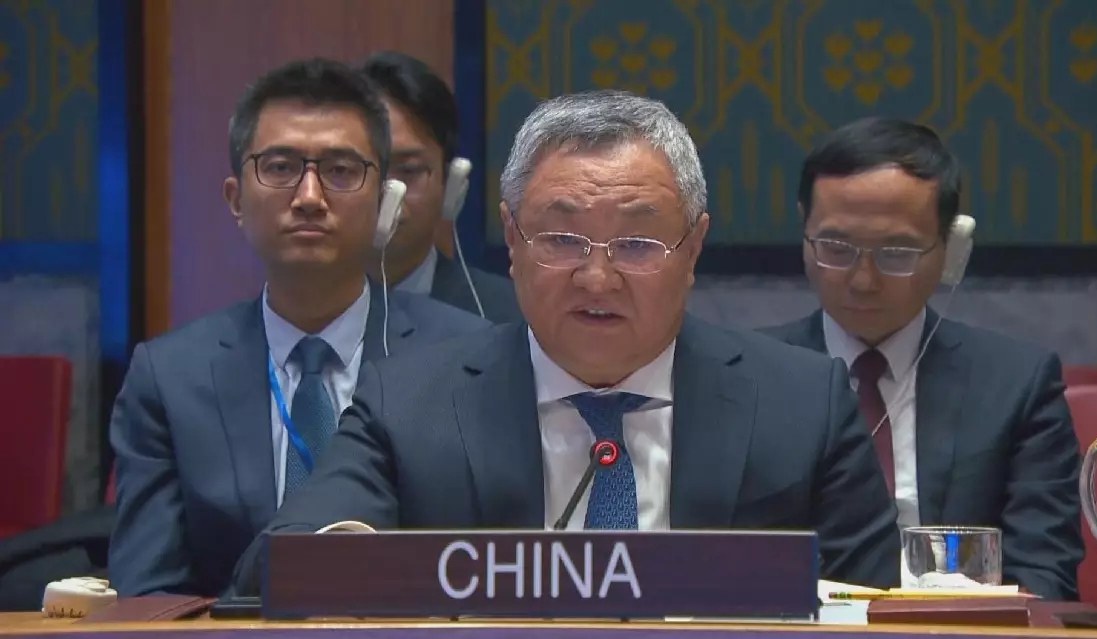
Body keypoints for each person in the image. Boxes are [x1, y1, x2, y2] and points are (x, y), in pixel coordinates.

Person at [229, 90, 902, 595]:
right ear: (512, 240)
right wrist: (356, 557)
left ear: (693, 247)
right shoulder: (407, 403)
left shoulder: (802, 404)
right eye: (561, 238)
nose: (597, 277)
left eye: (637, 242)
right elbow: (272, 569)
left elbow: (877, 610)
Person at [108, 58, 490, 597]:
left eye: (341, 170)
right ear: (236, 200)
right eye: (281, 167)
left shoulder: (464, 355)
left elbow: (489, 568)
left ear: (384, 201)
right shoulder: (169, 378)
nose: (309, 197)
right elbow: (148, 596)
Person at [760, 117, 1082, 600]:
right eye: (836, 248)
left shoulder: (1017, 385)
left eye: (896, 252)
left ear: (951, 249)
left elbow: (1044, 577)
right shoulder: (749, 377)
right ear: (804, 229)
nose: (863, 280)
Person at [360, 51, 521, 323]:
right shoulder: (294, 310)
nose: (386, 193)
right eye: (359, 168)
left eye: (409, 170)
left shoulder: (511, 316)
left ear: (451, 184)